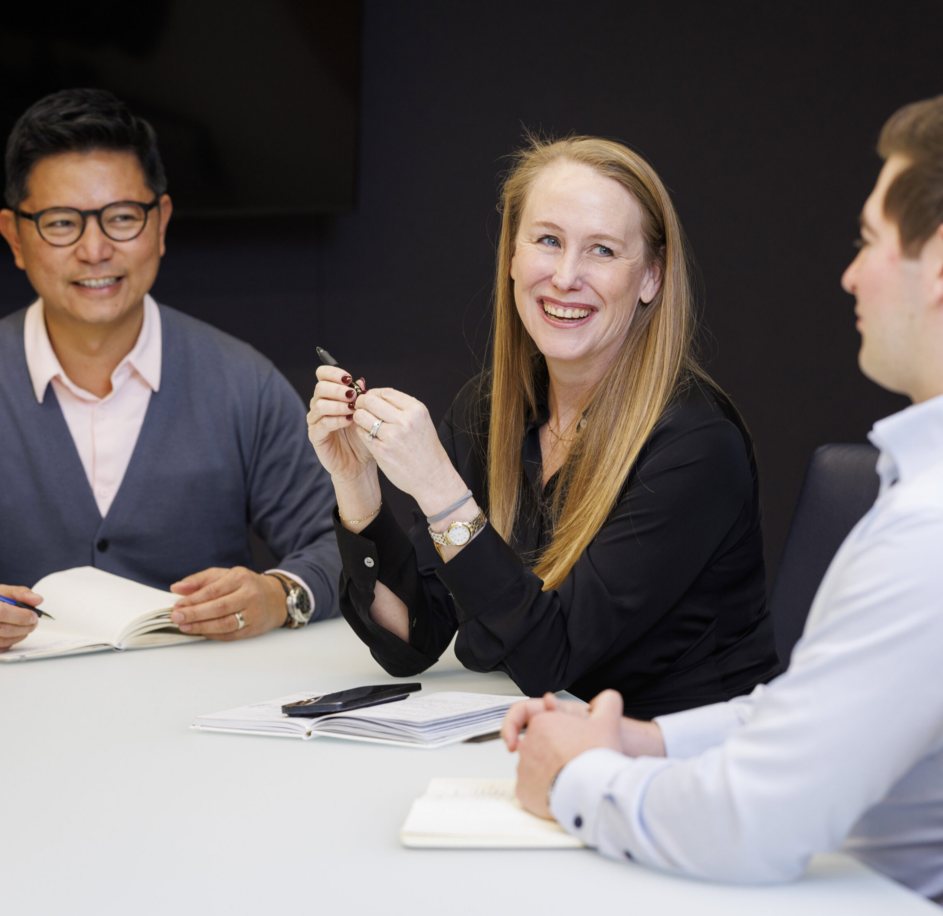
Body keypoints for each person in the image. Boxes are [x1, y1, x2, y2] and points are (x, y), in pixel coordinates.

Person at [502, 86, 943, 915]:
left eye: (869, 240)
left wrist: (575, 775)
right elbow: (828, 709)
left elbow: (746, 826)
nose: (850, 272)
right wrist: (647, 741)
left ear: (942, 261)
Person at [0, 89, 340, 657]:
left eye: (122, 218)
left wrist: (281, 595)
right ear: (15, 237)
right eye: (61, 223)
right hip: (9, 708)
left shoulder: (242, 382)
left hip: (202, 707)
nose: (95, 249)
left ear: (160, 224)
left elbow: (337, 540)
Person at [306, 137, 778, 718]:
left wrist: (438, 490)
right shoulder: (489, 408)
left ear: (652, 278)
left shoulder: (694, 445)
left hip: (671, 773)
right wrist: (356, 485)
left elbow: (549, 661)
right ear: (511, 255)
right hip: (546, 748)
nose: (565, 276)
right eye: (548, 241)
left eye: (602, 250)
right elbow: (415, 638)